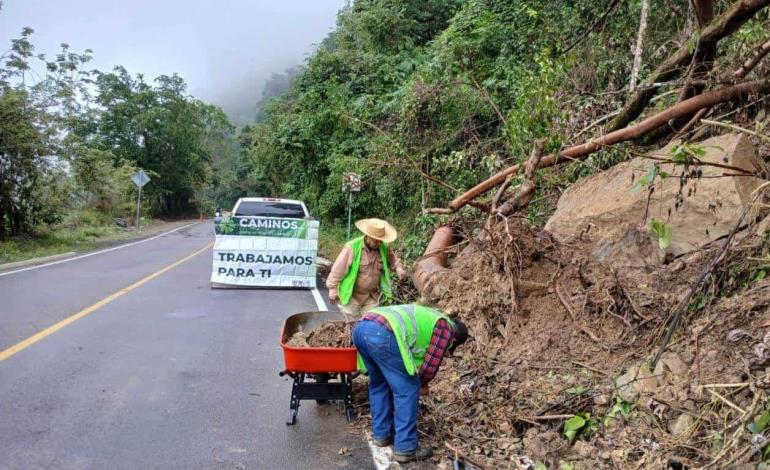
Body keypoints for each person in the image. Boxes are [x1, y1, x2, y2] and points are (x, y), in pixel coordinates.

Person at [352, 303, 469, 463]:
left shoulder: (431, 316)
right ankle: (406, 448)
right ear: (455, 338)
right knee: (407, 389)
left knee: (380, 384)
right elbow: (430, 365)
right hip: (382, 333)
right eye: (452, 346)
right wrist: (422, 384)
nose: (449, 350)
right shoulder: (445, 328)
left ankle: (382, 435)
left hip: (361, 328)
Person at [326, 218, 406, 316]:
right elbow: (338, 270)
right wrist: (332, 289)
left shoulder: (384, 247)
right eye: (376, 240)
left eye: (381, 240)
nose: (379, 243)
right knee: (349, 324)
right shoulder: (352, 247)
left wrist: (398, 268)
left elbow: (393, 260)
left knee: (369, 325)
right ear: (368, 236)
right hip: (352, 296)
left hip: (371, 296)